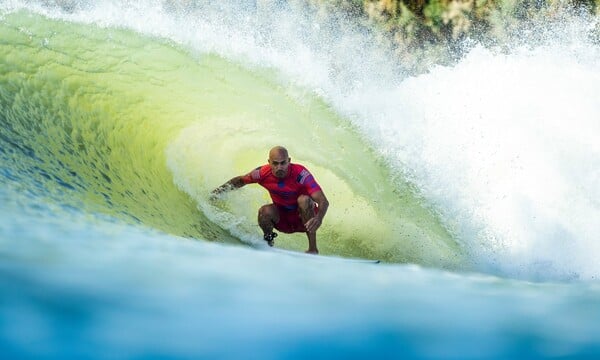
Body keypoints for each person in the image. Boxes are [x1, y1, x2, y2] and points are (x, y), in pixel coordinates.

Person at [211, 146, 329, 254]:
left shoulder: (301, 174)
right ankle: (268, 244)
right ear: (269, 162)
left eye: (283, 163)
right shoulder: (262, 173)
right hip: (282, 220)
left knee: (304, 200)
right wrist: (217, 192)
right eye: (275, 163)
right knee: (264, 211)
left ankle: (313, 249)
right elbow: (240, 180)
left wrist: (319, 218)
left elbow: (323, 201)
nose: (279, 167)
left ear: (289, 161)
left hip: (305, 221)